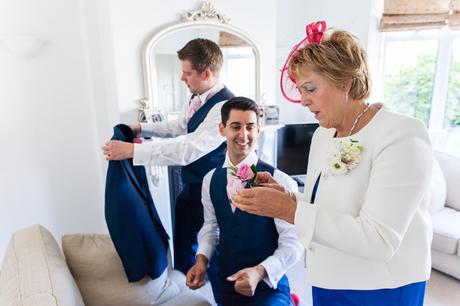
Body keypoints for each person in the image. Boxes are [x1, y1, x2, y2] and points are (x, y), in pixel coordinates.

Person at [231, 21, 433, 306]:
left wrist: (289, 211)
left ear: (345, 82)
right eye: (300, 90)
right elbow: (329, 207)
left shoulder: (402, 136)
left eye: (310, 88)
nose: (302, 101)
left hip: (381, 287)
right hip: (327, 278)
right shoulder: (324, 135)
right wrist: (288, 196)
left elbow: (379, 240)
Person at [102, 38, 235, 303]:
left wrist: (132, 152)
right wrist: (142, 129)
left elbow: (190, 148)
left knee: (215, 253)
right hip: (191, 186)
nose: (182, 78)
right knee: (184, 243)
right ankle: (187, 294)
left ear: (206, 73)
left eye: (187, 72)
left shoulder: (224, 107)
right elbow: (180, 127)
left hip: (212, 188)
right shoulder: (196, 97)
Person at [186, 97, 303, 305]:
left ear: (259, 129)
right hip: (225, 284)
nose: (243, 135)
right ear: (222, 129)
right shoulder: (210, 180)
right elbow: (211, 227)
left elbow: (293, 243)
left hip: (268, 287)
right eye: (235, 127)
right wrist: (201, 260)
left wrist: (260, 271)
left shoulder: (282, 181)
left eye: (250, 127)